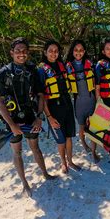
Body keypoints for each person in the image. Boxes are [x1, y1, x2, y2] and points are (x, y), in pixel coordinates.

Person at [0, 37, 56, 197]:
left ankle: (45, 173)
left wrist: (39, 116)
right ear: (11, 53)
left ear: (27, 53)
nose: (21, 54)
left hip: (31, 116)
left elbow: (41, 95)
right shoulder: (4, 73)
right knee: (17, 151)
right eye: (18, 51)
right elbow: (0, 102)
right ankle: (25, 183)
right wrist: (12, 125)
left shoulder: (33, 70)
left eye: (24, 51)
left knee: (35, 147)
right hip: (12, 118)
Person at [39, 40, 81, 173]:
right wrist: (49, 117)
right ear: (45, 52)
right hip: (54, 108)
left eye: (56, 51)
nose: (53, 53)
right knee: (61, 140)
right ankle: (63, 163)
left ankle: (70, 161)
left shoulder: (62, 65)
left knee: (69, 137)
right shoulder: (41, 70)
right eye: (50, 51)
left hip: (66, 104)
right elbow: (42, 97)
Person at [65, 40, 97, 160]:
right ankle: (83, 143)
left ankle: (94, 151)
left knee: (93, 126)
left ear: (84, 51)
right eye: (76, 50)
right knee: (82, 126)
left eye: (81, 50)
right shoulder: (67, 66)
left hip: (90, 99)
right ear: (72, 51)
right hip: (78, 102)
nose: (78, 52)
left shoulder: (90, 64)